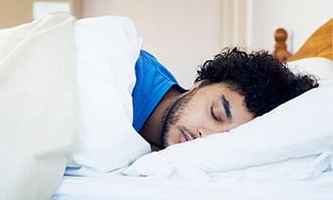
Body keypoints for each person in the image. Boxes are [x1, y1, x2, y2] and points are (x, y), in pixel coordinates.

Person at [132, 47, 318, 151]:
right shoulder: (131, 71)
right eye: (215, 114)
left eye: (224, 138)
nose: (205, 137)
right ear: (201, 85)